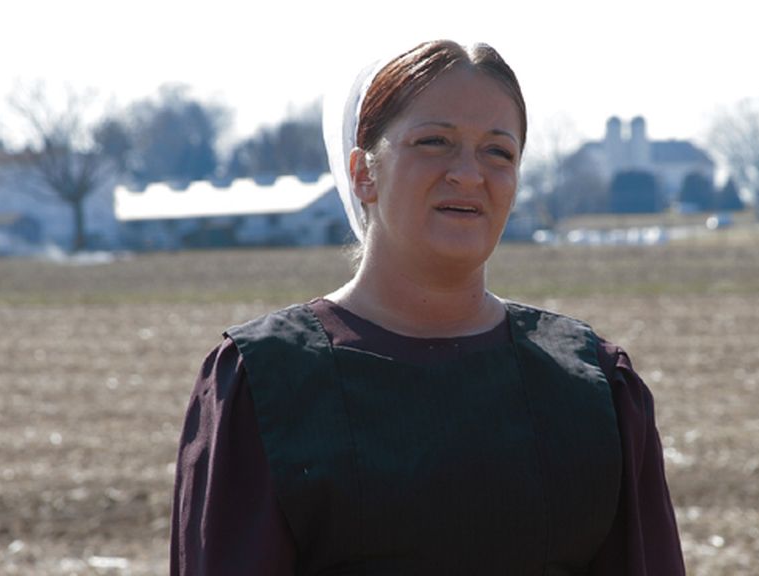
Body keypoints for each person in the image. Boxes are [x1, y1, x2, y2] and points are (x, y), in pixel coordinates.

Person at [171, 40, 685, 575]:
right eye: (435, 141)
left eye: (498, 151)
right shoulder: (266, 384)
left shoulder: (594, 386)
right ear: (363, 172)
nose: (469, 173)